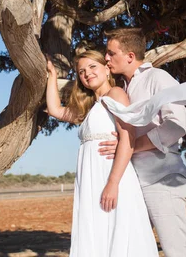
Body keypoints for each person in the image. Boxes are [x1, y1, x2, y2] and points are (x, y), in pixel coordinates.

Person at [45, 50, 158, 257]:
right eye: (81, 71)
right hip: (91, 180)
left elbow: (128, 138)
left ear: (107, 69)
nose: (87, 73)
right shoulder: (89, 108)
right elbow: (55, 110)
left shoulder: (116, 94)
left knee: (118, 232)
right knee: (97, 234)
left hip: (111, 177)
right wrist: (52, 75)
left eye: (92, 67)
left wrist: (113, 183)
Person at [101, 28, 186, 257]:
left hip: (163, 179)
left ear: (130, 56)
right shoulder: (121, 88)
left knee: (177, 251)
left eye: (110, 53)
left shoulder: (158, 78)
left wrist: (132, 144)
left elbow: (176, 125)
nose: (106, 58)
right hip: (132, 182)